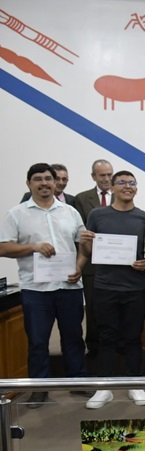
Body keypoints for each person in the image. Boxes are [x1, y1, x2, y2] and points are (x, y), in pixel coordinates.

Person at [0, 163, 87, 406]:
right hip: (36, 290)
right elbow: (3, 247)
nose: (44, 183)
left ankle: (78, 381)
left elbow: (83, 247)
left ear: (55, 182)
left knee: (73, 338)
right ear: (29, 184)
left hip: (69, 287)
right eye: (38, 179)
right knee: (38, 341)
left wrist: (79, 267)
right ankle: (39, 387)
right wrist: (34, 247)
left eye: (48, 178)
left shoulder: (70, 212)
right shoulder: (16, 214)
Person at [80, 171, 145, 409]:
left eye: (132, 183)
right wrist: (86, 242)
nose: (127, 186)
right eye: (122, 182)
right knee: (106, 337)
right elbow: (89, 251)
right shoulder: (97, 215)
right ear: (111, 187)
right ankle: (104, 387)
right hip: (105, 286)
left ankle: (135, 383)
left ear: (136, 188)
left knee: (133, 336)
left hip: (135, 287)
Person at [74, 158, 114, 363]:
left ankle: (116, 350)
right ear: (93, 177)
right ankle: (94, 349)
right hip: (92, 265)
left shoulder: (122, 195)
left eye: (109, 175)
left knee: (115, 309)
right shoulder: (82, 199)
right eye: (102, 175)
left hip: (117, 264)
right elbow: (81, 233)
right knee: (93, 309)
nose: (106, 179)